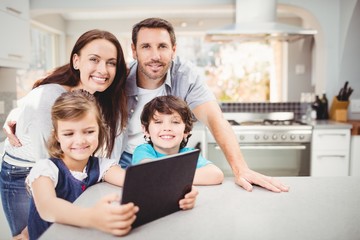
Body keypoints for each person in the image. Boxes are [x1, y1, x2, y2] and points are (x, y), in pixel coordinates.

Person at [116, 17, 289, 193]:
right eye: (146, 46)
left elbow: (215, 119)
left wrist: (241, 169)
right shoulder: (118, 78)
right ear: (134, 50)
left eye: (162, 46)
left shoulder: (185, 75)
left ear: (173, 50)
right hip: (123, 159)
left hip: (170, 159)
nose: (155, 56)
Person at [0, 29, 128, 239]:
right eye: (94, 59)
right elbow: (51, 165)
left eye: (111, 62)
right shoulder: (47, 98)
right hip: (23, 171)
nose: (103, 69)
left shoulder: (99, 98)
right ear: (76, 61)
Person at [25, 90, 198, 239]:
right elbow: (47, 207)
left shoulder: (102, 166)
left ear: (100, 130)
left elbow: (140, 183)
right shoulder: (45, 169)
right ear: (57, 136)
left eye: (89, 131)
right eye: (69, 133)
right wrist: (92, 217)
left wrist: (179, 193)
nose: (80, 140)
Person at [132, 95, 224, 185]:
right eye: (158, 122)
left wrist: (170, 177)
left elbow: (216, 175)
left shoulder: (188, 154)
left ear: (186, 131)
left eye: (175, 122)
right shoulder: (143, 151)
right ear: (146, 130)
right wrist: (184, 177)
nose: (167, 128)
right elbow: (149, 172)